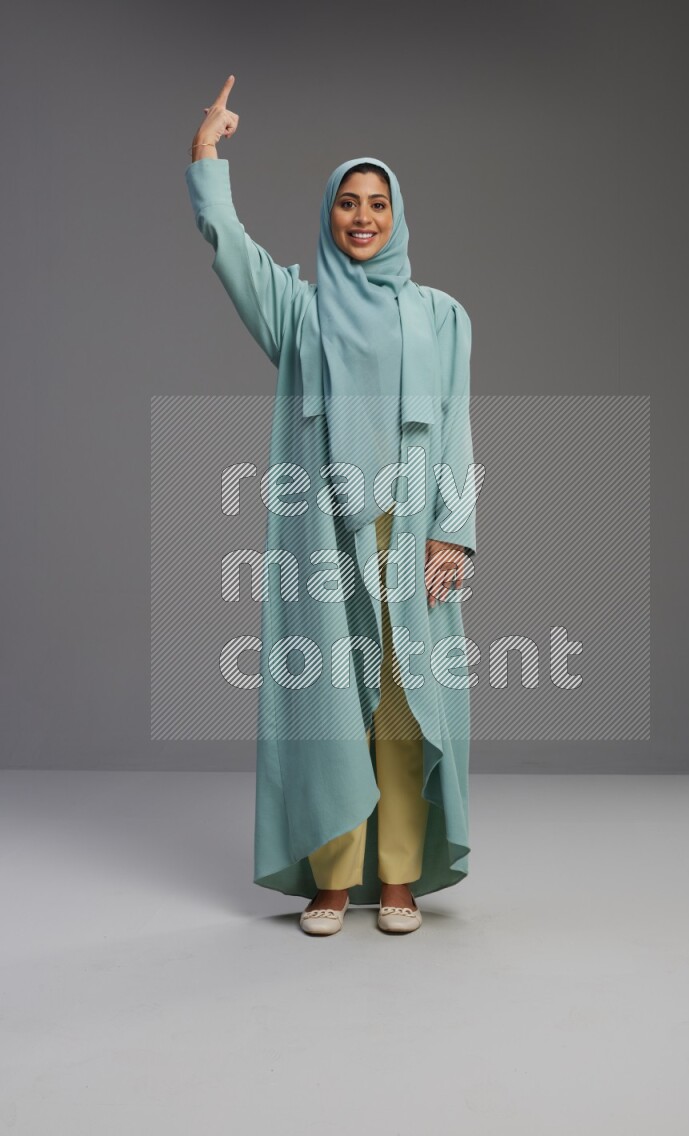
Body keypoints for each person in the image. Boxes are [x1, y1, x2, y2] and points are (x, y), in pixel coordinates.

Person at [186, 75, 480, 936]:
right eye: (348, 203)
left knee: (400, 706)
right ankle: (332, 878)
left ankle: (398, 878)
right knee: (327, 706)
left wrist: (454, 534)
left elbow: (457, 427)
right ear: (329, 214)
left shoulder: (441, 317)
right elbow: (229, 245)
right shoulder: (299, 313)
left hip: (409, 534)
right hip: (323, 534)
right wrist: (205, 155)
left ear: (397, 216)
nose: (362, 217)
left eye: (377, 204)